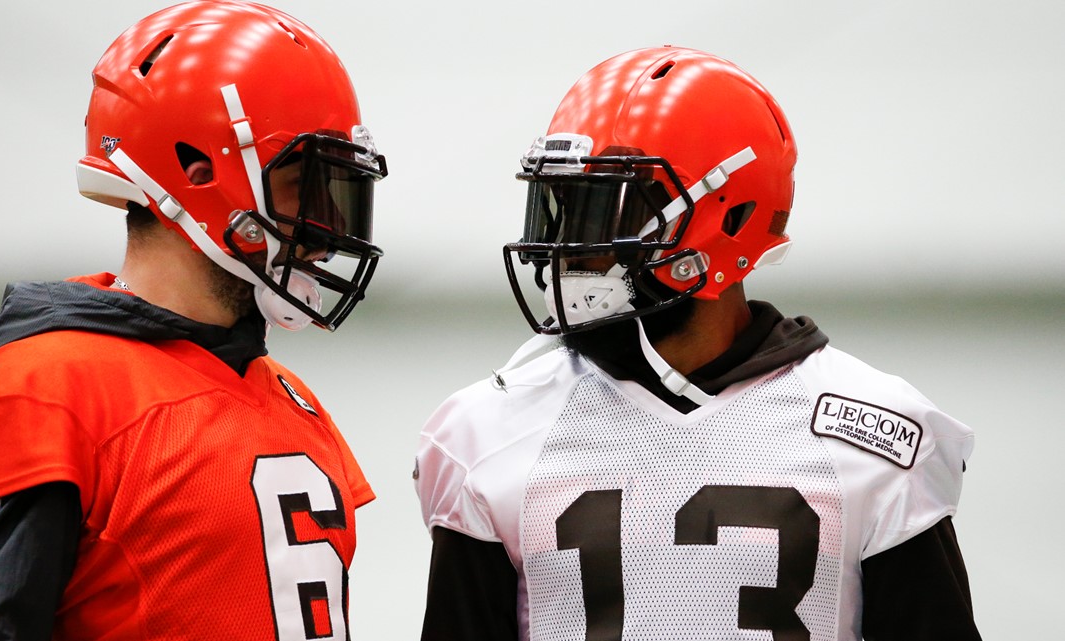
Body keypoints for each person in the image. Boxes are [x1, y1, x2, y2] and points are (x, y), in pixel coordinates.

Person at [414, 46, 981, 641]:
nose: (569, 250)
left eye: (605, 213)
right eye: (563, 209)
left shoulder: (879, 431)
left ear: (726, 216)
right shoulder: (486, 431)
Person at [0, 2, 387, 639]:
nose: (327, 230)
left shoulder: (292, 398)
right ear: (198, 172)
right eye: (304, 184)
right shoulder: (42, 392)